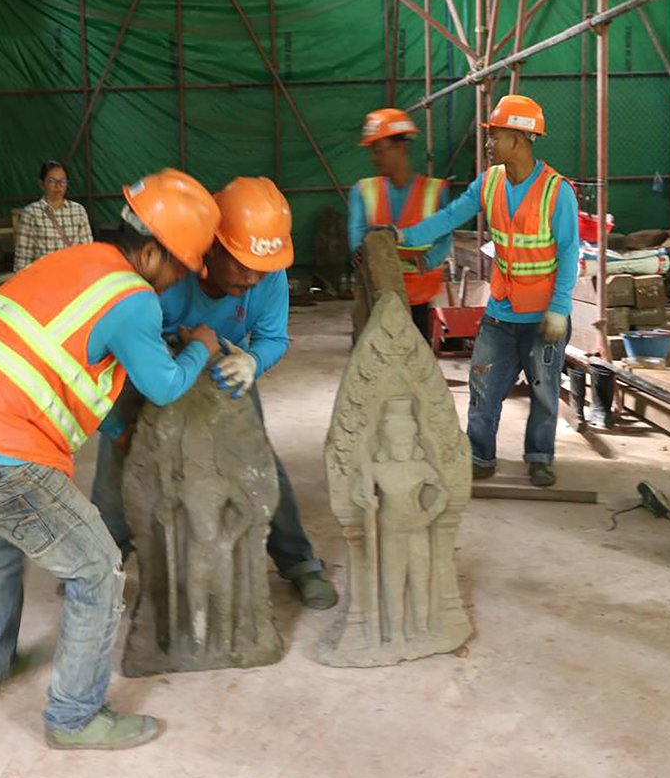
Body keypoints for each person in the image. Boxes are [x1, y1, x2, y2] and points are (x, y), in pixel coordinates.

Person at [0, 169, 221, 751]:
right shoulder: (132, 299)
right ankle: (74, 717)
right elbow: (165, 384)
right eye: (179, 267)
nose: (178, 281)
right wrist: (202, 342)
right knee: (98, 569)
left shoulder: (73, 263)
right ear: (150, 252)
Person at [91, 177, 338, 610]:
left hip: (225, 370)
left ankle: (298, 561)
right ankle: (101, 566)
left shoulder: (268, 277)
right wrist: (176, 353)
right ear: (211, 249)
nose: (252, 278)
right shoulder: (170, 267)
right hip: (150, 370)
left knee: (259, 463)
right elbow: (126, 338)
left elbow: (274, 338)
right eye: (242, 264)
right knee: (119, 462)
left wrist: (252, 362)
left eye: (261, 269)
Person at [395, 95, 578, 488]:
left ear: (520, 138)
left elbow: (568, 253)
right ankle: (479, 455)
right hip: (500, 312)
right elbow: (449, 217)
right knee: (483, 388)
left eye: (495, 136)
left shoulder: (556, 192)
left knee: (545, 394)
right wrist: (404, 238)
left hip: (544, 316)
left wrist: (560, 309)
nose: (489, 143)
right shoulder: (490, 182)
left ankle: (539, 457)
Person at [348, 109, 451, 337]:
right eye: (373, 151)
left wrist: (426, 260)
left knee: (415, 361)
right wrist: (359, 252)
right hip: (376, 293)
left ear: (402, 147)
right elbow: (356, 235)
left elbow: (444, 238)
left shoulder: (435, 191)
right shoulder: (363, 191)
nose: (374, 157)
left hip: (420, 296)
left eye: (380, 150)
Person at [13, 160, 93, 271]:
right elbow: (23, 258)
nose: (58, 185)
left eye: (63, 181)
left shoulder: (78, 211)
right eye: (52, 181)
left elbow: (87, 251)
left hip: (73, 277)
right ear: (42, 184)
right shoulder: (31, 213)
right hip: (44, 278)